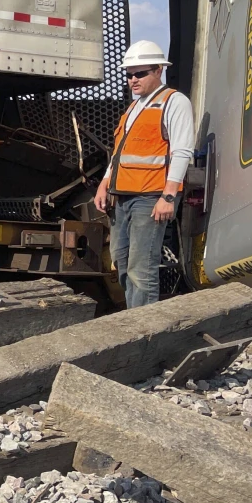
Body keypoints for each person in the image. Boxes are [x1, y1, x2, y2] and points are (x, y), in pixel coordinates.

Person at [93, 40, 195, 308]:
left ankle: (143, 328)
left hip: (150, 198)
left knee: (142, 267)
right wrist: (104, 184)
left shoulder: (174, 102)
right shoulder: (133, 108)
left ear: (158, 70)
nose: (133, 80)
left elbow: (182, 152)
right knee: (121, 260)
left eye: (140, 74)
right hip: (122, 197)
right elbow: (119, 154)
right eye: (129, 75)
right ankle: (133, 318)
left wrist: (169, 197)